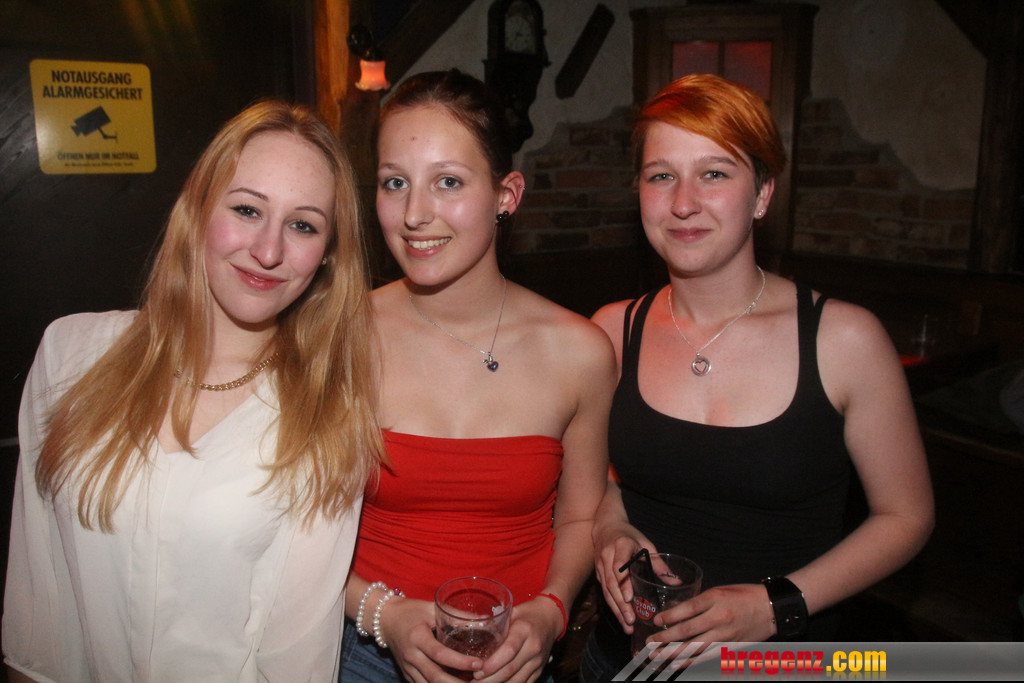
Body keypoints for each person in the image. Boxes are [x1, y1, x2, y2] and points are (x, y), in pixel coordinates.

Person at [2, 100, 384, 682]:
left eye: (303, 225)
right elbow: (38, 598)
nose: (269, 251)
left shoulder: (324, 415)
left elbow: (296, 657)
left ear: (328, 254)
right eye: (247, 209)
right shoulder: (70, 353)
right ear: (198, 207)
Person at [580, 74, 934, 679]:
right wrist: (609, 525)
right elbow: (606, 476)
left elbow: (905, 517)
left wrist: (777, 605)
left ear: (763, 194)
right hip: (624, 661)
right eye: (661, 175)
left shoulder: (843, 339)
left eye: (714, 174)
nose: (683, 202)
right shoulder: (611, 331)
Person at [340, 69, 617, 683]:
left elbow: (579, 518)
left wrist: (550, 611)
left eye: (448, 182)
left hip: (514, 658)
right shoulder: (341, 336)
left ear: (506, 194)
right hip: (365, 652)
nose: (415, 214)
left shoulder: (579, 352)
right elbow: (292, 531)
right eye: (395, 183)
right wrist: (384, 615)